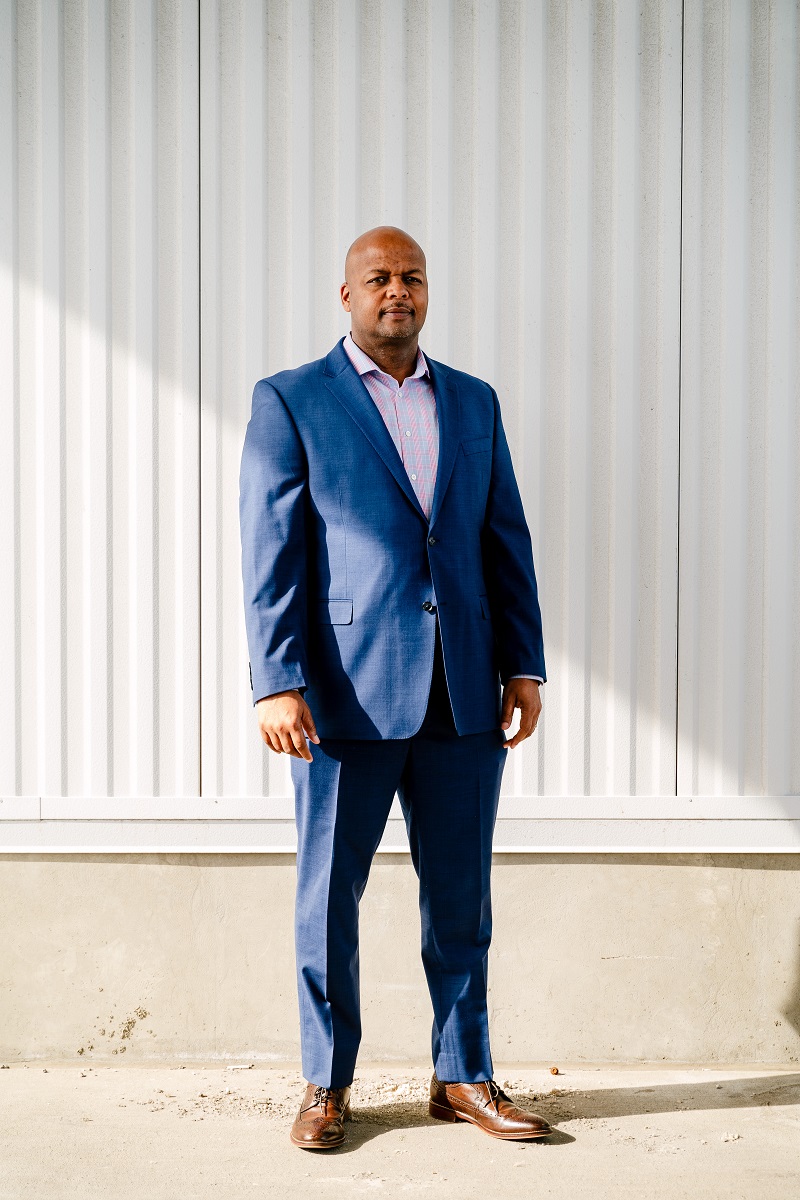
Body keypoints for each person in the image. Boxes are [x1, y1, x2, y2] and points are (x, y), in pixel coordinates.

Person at [239, 226, 551, 1149]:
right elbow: (274, 554)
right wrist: (276, 679)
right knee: (328, 897)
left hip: (462, 692)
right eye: (378, 278)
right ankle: (326, 1083)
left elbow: (506, 541)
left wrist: (523, 663)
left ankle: (462, 1076)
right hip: (340, 698)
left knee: (461, 898)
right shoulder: (291, 401)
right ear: (346, 295)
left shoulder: (474, 401)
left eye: (412, 277)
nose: (397, 291)